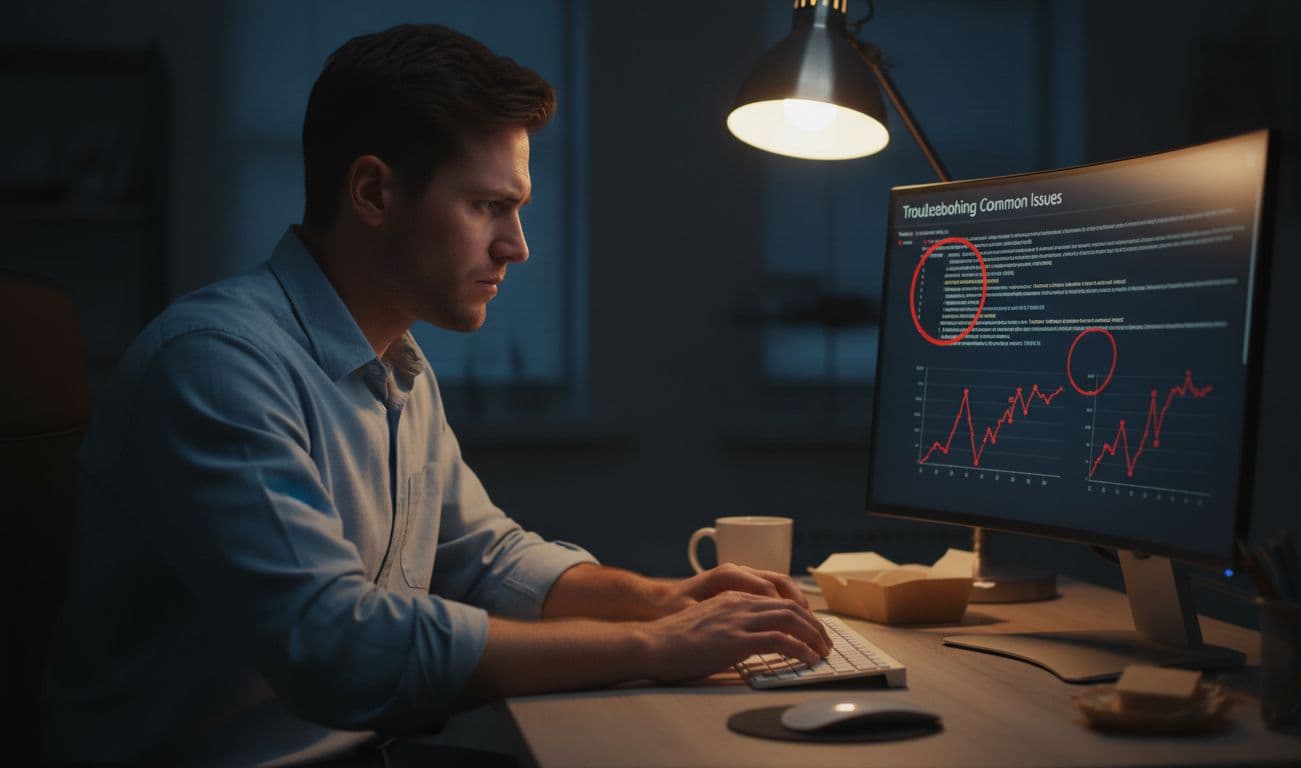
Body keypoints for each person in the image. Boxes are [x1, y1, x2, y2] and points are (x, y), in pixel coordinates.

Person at [42, 23, 831, 767]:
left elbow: (483, 558)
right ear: (374, 194)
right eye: (490, 206)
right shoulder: (217, 365)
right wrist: (654, 649)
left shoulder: (396, 364)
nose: (517, 246)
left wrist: (662, 600)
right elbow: (337, 648)